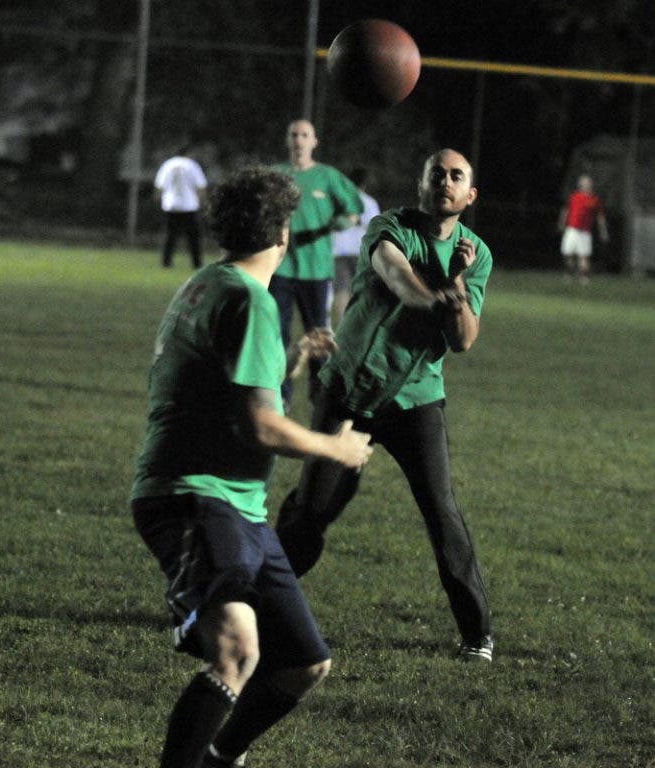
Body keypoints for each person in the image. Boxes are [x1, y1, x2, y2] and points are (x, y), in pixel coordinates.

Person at [130, 165, 373, 768]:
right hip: (196, 495)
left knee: (303, 663)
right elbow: (259, 425)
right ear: (284, 233)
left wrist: (289, 360)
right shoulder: (250, 301)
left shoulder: (209, 282)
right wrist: (337, 449)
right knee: (237, 652)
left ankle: (218, 759)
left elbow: (225, 388)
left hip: (235, 505)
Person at [276, 148, 495, 662]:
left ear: (470, 194)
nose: (445, 181)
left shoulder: (476, 254)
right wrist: (438, 292)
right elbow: (398, 280)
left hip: (416, 399)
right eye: (436, 173)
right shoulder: (389, 227)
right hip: (349, 390)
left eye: (456, 176)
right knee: (313, 512)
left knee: (441, 511)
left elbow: (463, 340)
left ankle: (477, 634)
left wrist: (456, 282)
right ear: (421, 184)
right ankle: (257, 599)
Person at [271, 119, 364, 406]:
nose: (299, 140)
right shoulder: (276, 175)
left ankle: (319, 393)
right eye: (294, 134)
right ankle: (281, 394)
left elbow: (354, 210)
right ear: (287, 140)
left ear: (314, 141)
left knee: (318, 335)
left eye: (304, 135)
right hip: (280, 267)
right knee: (278, 334)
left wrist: (338, 222)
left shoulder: (327, 176)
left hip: (316, 269)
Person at [330, 167, 381, 326]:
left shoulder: (338, 200)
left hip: (338, 251)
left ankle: (344, 325)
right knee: (362, 291)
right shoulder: (369, 202)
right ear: (365, 184)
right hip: (361, 252)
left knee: (341, 291)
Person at [154, 145, 208, 269]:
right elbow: (201, 186)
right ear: (188, 153)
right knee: (193, 237)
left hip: (171, 205)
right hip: (189, 205)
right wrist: (202, 201)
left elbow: (159, 186)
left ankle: (166, 262)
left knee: (170, 236)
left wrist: (158, 201)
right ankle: (197, 263)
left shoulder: (168, 165)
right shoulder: (192, 165)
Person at [558, 173, 609, 284]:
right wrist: (562, 223)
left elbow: (600, 217)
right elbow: (566, 210)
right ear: (580, 185)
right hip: (572, 229)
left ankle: (584, 277)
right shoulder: (574, 197)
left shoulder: (594, 199)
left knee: (584, 256)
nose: (587, 185)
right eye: (585, 183)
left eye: (589, 183)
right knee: (568, 253)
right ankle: (569, 273)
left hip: (585, 232)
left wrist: (603, 231)